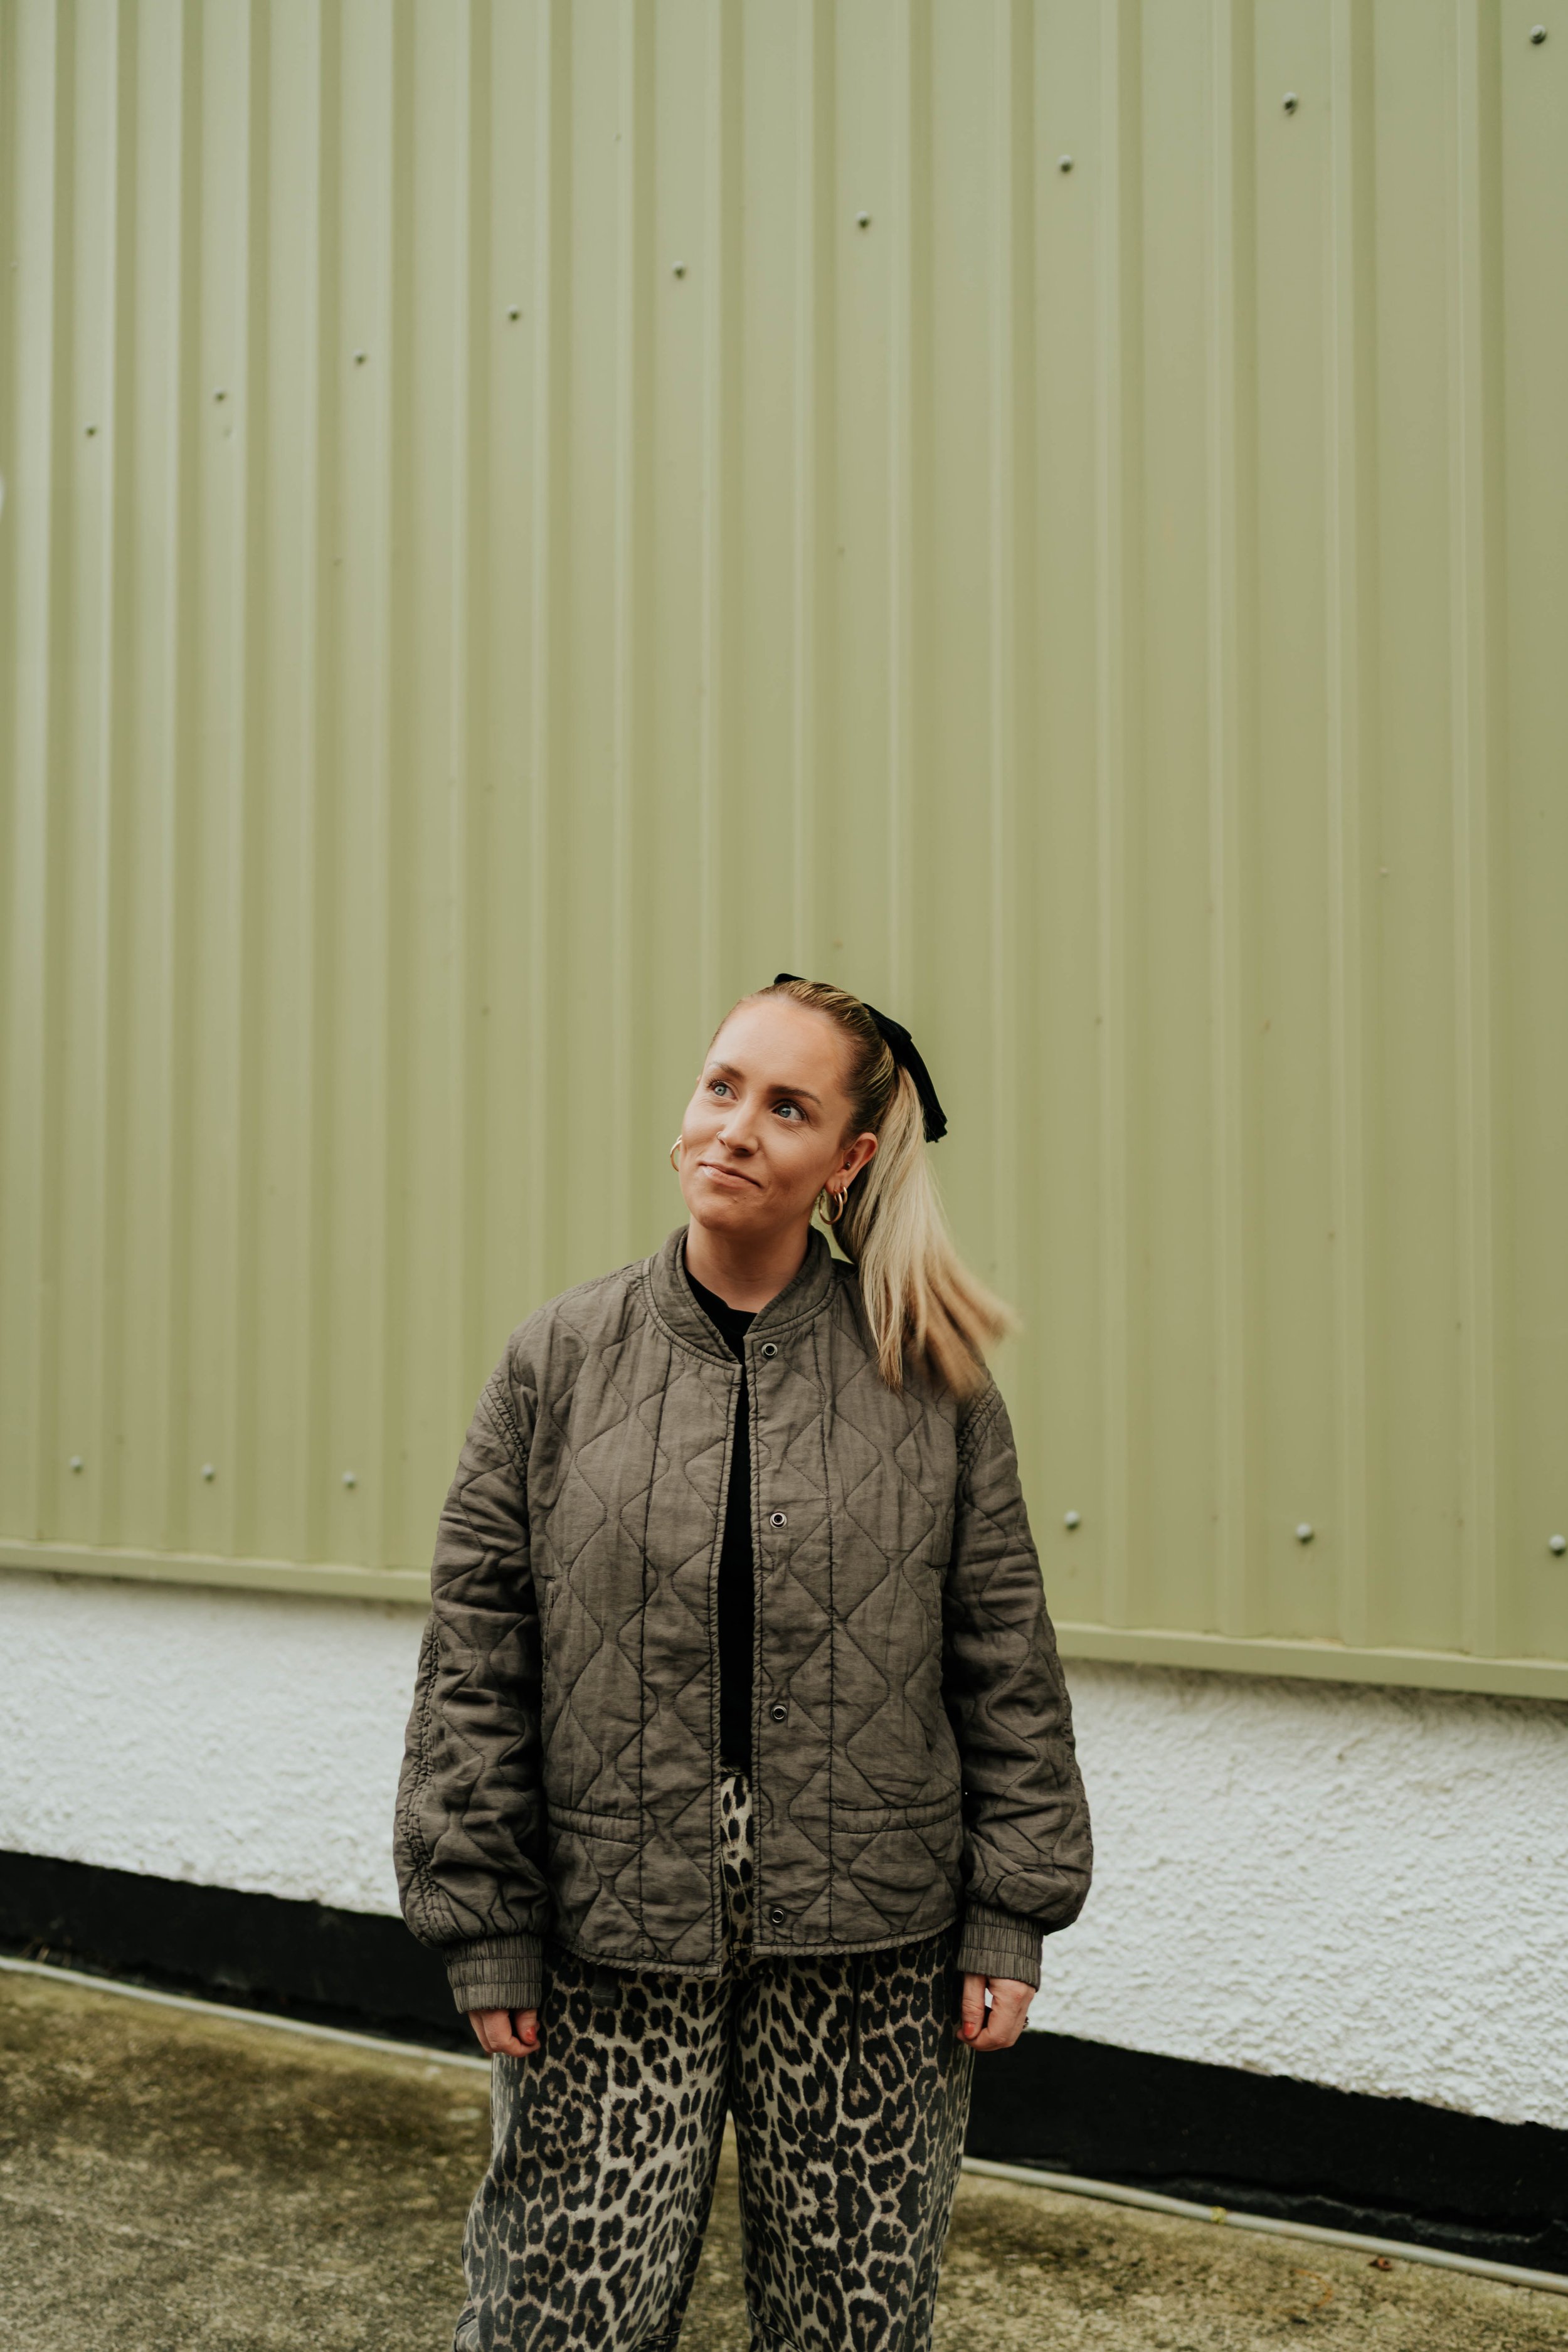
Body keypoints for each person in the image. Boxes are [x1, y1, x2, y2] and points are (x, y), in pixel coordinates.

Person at [394, 973, 1092, 2352]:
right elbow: (477, 1654)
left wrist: (1011, 1910)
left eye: (785, 1106)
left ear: (847, 1160)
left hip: (874, 1944)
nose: (734, 1127)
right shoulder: (559, 1361)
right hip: (609, 1936)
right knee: (556, 2321)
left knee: (853, 2324)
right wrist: (486, 1921)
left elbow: (1002, 1654)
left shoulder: (929, 1376)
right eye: (720, 1086)